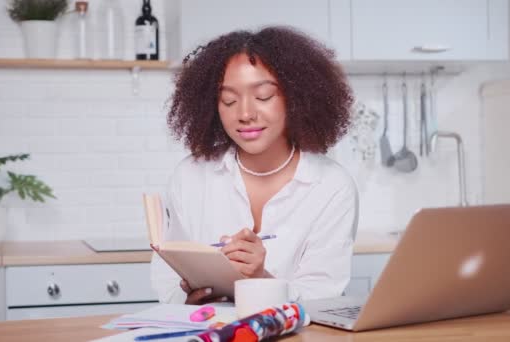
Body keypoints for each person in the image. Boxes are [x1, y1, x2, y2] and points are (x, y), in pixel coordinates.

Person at [151, 26, 359, 304]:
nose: (245, 114)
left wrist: (261, 280)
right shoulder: (190, 176)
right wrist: (188, 297)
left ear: (296, 99)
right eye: (229, 100)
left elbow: (324, 297)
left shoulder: (332, 186)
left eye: (263, 96)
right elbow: (166, 284)